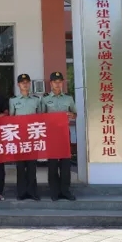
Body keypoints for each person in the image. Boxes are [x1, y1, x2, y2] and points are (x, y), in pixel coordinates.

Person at [41, 71, 77, 201]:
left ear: (62, 83)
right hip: (51, 135)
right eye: (55, 82)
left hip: (64, 134)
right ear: (51, 83)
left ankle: (65, 191)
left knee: (65, 164)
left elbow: (75, 114)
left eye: (59, 82)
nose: (57, 84)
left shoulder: (68, 98)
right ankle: (54, 191)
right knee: (52, 164)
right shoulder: (45, 99)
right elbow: (41, 117)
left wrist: (71, 115)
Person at [9, 73, 41, 201]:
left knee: (32, 167)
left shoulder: (36, 100)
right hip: (19, 138)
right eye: (22, 82)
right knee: (21, 167)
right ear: (18, 85)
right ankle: (21, 192)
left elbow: (41, 118)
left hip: (33, 137)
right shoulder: (13, 101)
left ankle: (32, 192)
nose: (25, 84)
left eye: (27, 82)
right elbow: (10, 119)